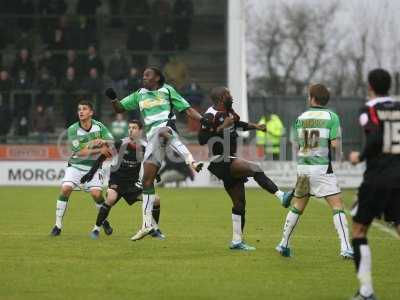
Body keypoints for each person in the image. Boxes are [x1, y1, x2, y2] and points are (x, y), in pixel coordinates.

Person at [105, 67, 209, 240]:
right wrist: (113, 99)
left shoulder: (167, 90)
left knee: (163, 131)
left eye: (148, 75)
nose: (143, 77)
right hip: (152, 139)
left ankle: (192, 161)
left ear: (157, 78)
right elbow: (120, 108)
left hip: (166, 128)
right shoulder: (139, 94)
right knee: (147, 181)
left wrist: (203, 119)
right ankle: (147, 225)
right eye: (143, 74)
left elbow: (187, 109)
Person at [198, 86, 293, 251]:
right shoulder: (209, 115)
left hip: (229, 159)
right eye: (228, 94)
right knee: (254, 167)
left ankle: (236, 241)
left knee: (239, 203)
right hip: (221, 160)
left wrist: (256, 126)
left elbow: (238, 124)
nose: (231, 96)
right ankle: (281, 196)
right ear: (220, 98)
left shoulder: (229, 111)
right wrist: (221, 128)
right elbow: (201, 138)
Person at [275, 84, 353, 259]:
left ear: (312, 98)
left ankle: (283, 244)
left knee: (298, 206)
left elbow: (296, 144)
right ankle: (346, 247)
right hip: (321, 168)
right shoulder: (332, 117)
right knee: (337, 205)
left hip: (303, 168)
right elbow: (334, 145)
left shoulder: (301, 118)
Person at [349, 69, 400, 300]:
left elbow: (375, 136)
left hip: (378, 177)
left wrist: (358, 157)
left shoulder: (368, 109)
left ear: (370, 85)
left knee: (359, 230)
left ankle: (366, 291)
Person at [81, 119, 165, 240]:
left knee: (156, 200)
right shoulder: (120, 143)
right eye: (130, 127)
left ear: (140, 131)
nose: (131, 130)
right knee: (111, 198)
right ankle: (96, 229)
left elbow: (150, 162)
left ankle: (154, 228)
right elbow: (102, 156)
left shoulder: (144, 146)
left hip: (132, 183)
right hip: (116, 181)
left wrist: (155, 174)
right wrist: (91, 173)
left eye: (134, 128)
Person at [50, 101, 114, 236]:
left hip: (94, 168)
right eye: (79, 109)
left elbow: (111, 142)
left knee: (96, 194)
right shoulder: (73, 129)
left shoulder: (99, 126)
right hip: (76, 166)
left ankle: (105, 221)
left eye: (84, 109)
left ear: (91, 112)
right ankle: (57, 226)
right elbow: (79, 152)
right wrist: (95, 146)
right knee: (66, 189)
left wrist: (104, 142)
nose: (81, 111)